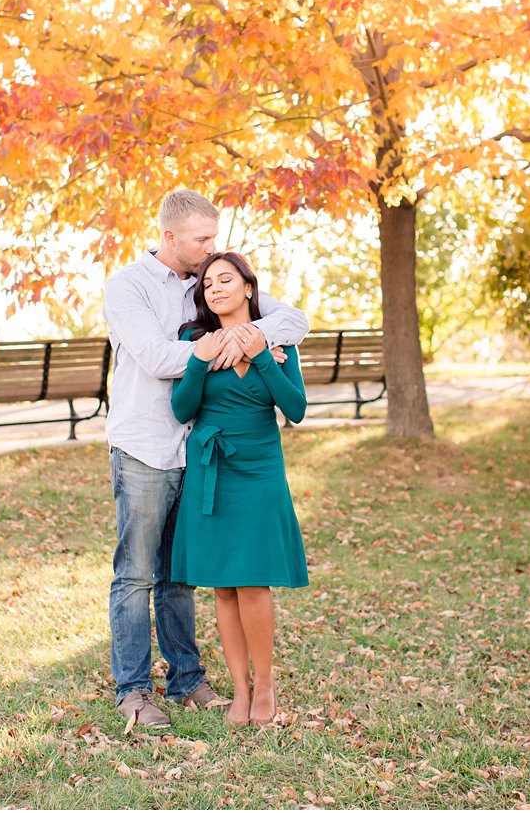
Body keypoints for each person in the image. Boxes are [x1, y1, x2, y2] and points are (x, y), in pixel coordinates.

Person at [103, 189, 309, 732]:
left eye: (214, 240)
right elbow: (154, 355)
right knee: (137, 574)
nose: (212, 248)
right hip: (147, 445)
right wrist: (220, 346)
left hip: (196, 453)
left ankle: (188, 678)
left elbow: (292, 319)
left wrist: (252, 337)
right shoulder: (128, 287)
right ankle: (133, 690)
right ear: (170, 237)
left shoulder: (206, 281)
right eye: (203, 239)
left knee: (181, 577)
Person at [170, 251, 309, 728]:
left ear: (249, 287)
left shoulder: (279, 337)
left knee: (253, 582)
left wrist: (261, 359)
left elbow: (296, 408)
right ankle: (241, 690)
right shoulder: (196, 339)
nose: (216, 289)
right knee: (223, 588)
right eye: (207, 284)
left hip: (260, 469)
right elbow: (181, 409)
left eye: (225, 280)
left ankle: (266, 684)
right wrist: (198, 363)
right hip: (212, 471)